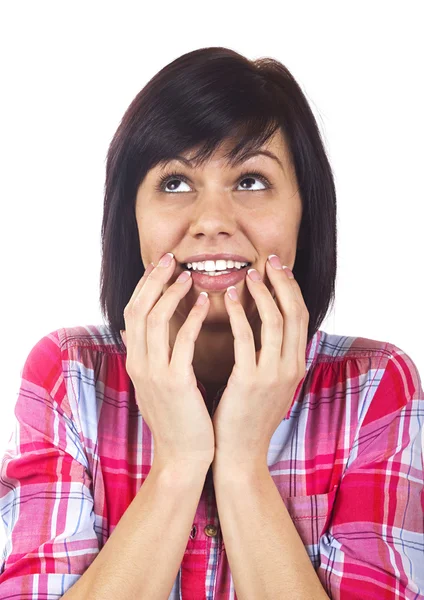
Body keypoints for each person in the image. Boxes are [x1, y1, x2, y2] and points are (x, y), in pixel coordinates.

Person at [0, 46, 423, 600]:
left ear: (305, 212)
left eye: (251, 180)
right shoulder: (70, 375)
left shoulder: (374, 386)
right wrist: (178, 462)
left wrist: (243, 463)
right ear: (131, 219)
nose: (212, 223)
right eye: (175, 183)